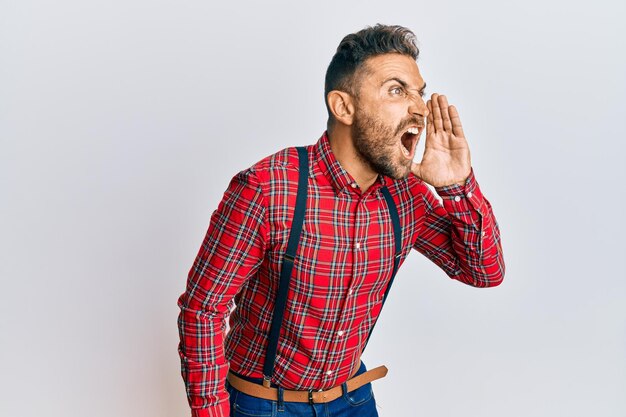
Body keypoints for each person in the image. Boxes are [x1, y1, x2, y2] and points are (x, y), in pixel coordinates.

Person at [177, 24, 505, 417]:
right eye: (397, 90)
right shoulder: (268, 187)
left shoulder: (406, 197)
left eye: (418, 92)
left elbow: (483, 271)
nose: (419, 107)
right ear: (343, 107)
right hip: (263, 404)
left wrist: (458, 187)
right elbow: (203, 309)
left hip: (352, 398)